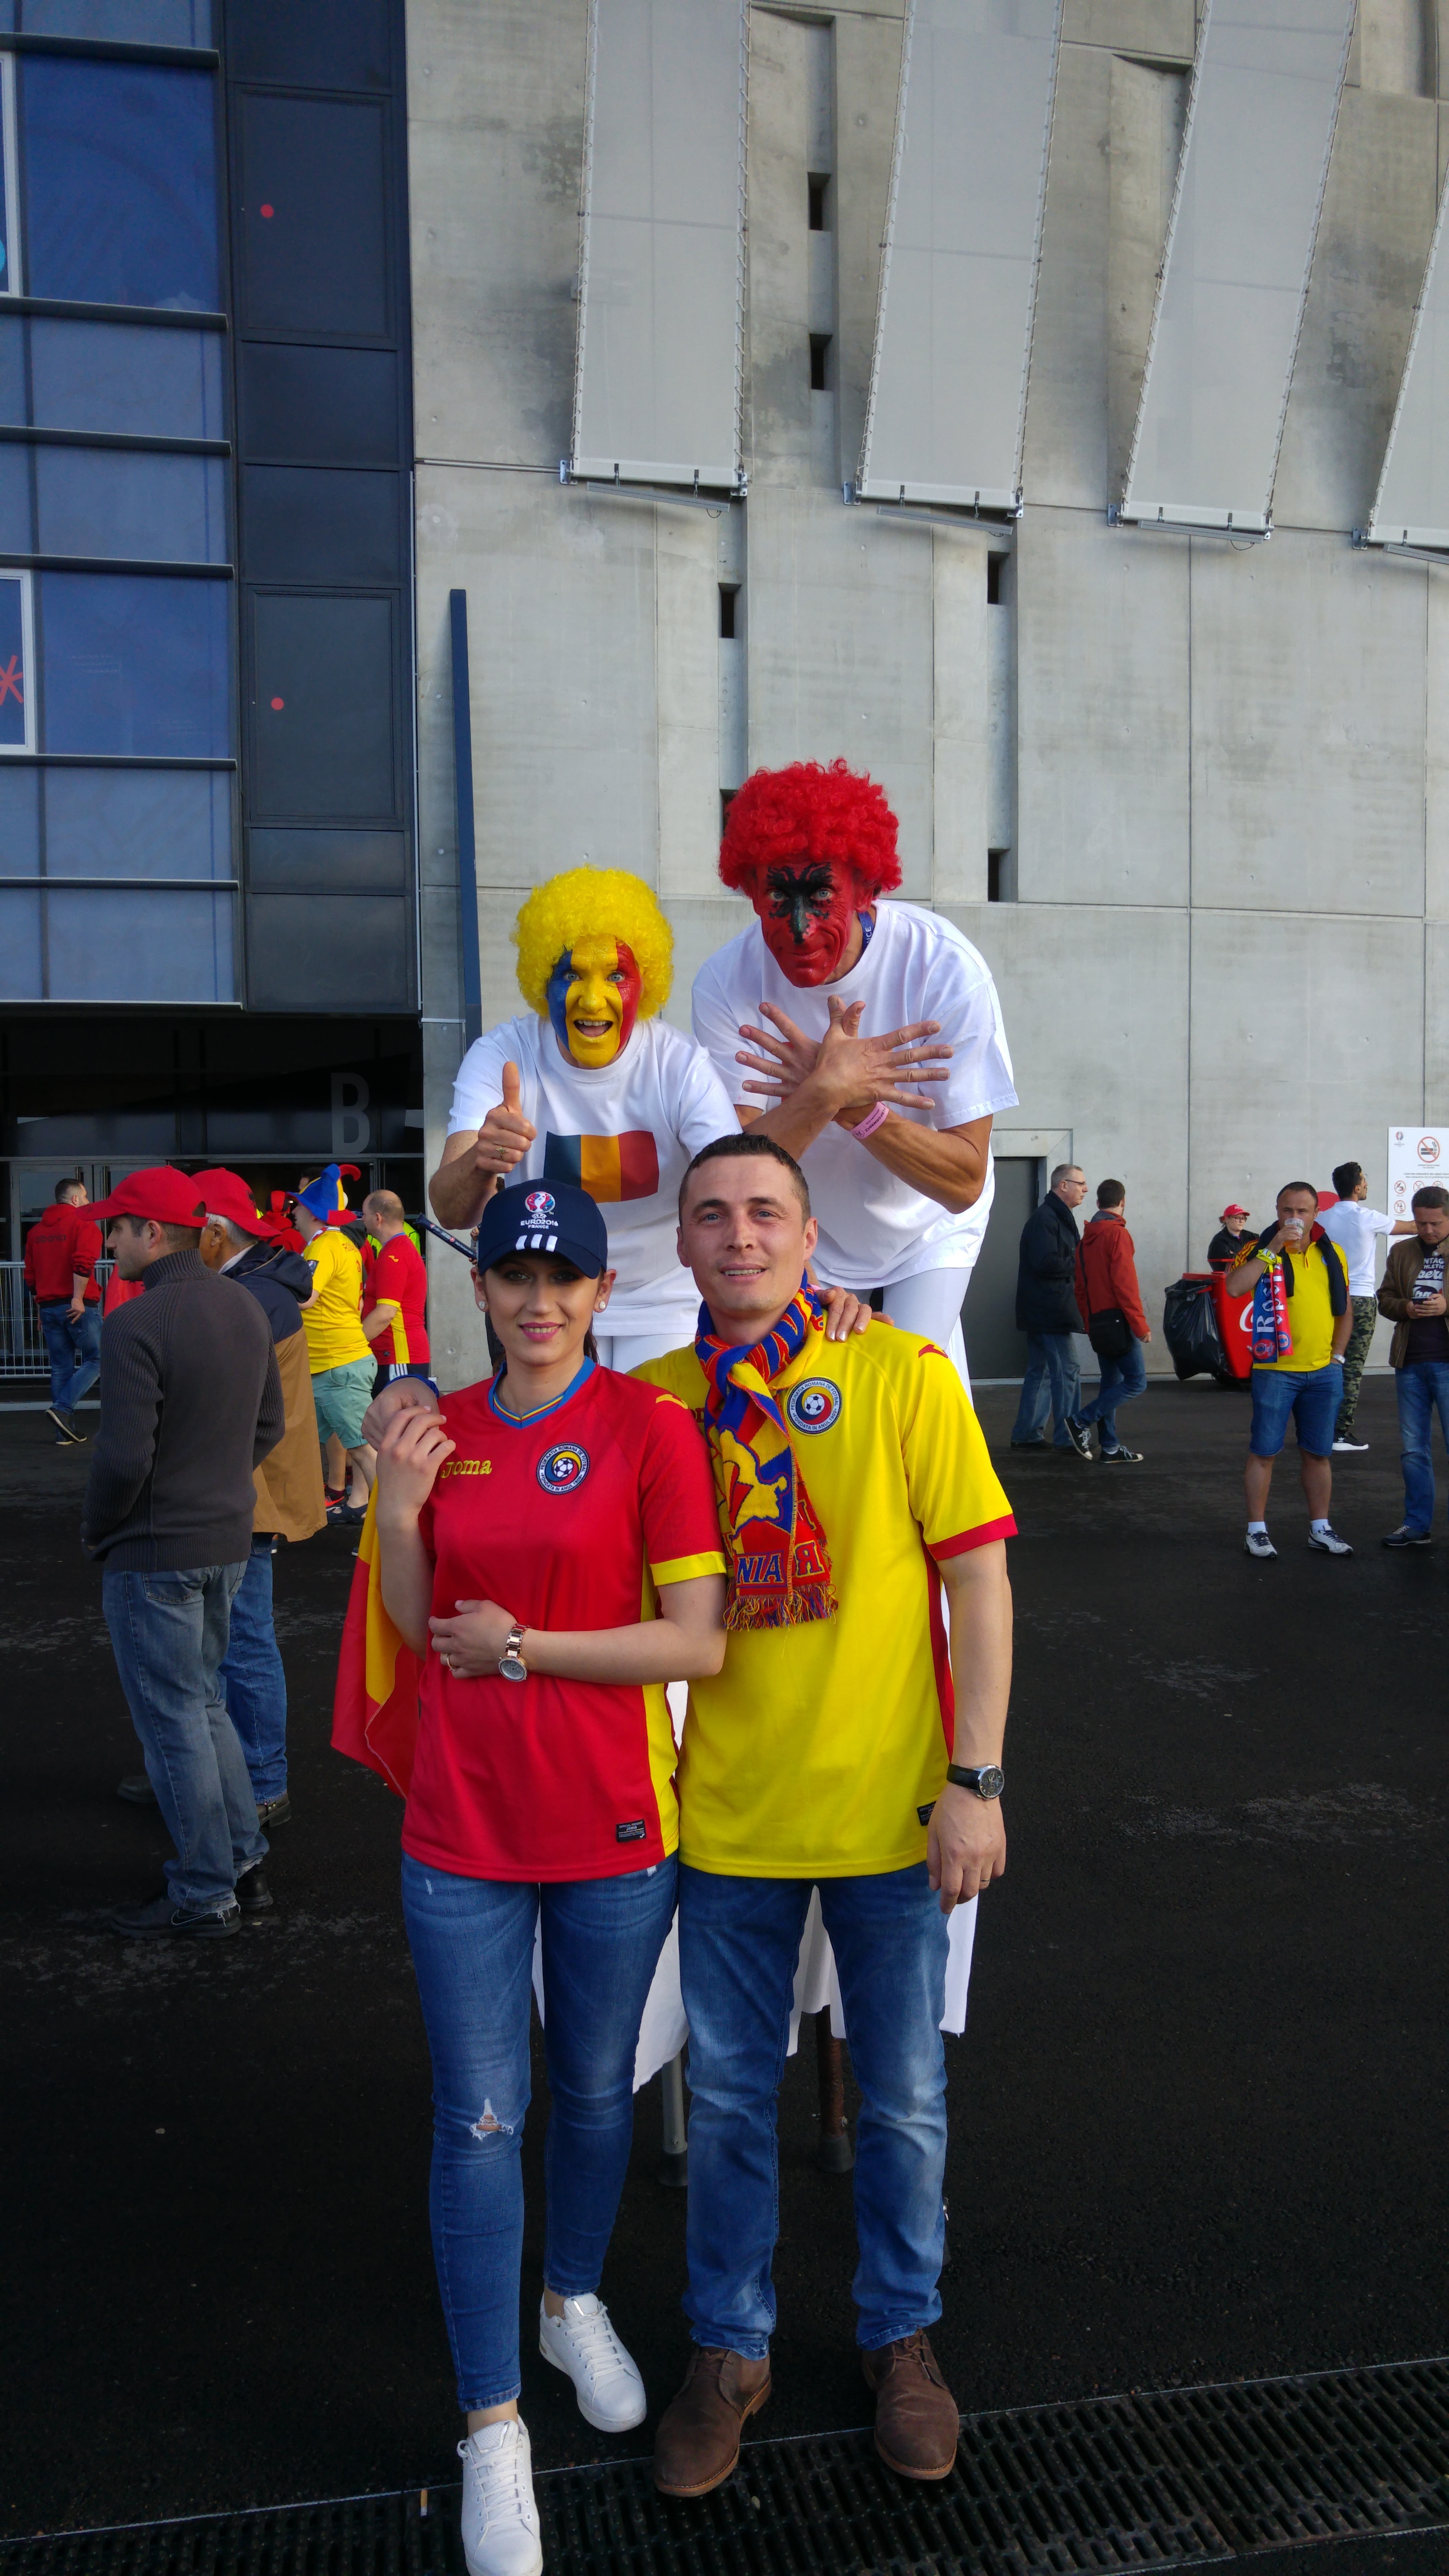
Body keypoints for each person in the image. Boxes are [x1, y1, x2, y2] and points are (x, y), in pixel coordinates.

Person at [337, 1178, 728, 2576]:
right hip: (461, 1831)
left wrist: (524, 1649)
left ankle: (569, 2303)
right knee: (481, 2120)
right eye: (514, 1275)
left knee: (592, 2091)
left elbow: (696, 1646)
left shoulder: (647, 1431)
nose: (540, 1299)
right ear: (484, 1288)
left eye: (564, 1277)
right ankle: (491, 2425)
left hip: (616, 1825)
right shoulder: (431, 1425)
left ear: (600, 1293)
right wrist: (395, 1508)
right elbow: (407, 1623)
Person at [620, 1132, 1014, 2496]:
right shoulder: (650, 1405)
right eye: (712, 1214)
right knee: (729, 2101)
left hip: (893, 1818)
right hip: (722, 1823)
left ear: (808, 1238)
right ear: (679, 1245)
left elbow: (978, 1587)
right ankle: (731, 2350)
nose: (739, 1236)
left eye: (766, 1213)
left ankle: (902, 2340)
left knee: (903, 2104)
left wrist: (975, 1782)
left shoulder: (896, 1372)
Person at [690, 760, 1018, 1389]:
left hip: (930, 1227)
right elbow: (730, 1175)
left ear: (866, 887)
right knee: (817, 1400)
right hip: (810, 1233)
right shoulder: (725, 983)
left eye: (819, 897)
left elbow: (962, 1182)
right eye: (776, 899)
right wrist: (826, 1090)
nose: (799, 928)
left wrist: (854, 1107)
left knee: (910, 1391)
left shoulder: (944, 969)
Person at [81, 1167, 285, 1939]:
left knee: (175, 1719)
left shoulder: (137, 1324)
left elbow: (123, 1459)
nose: (109, 1240)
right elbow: (268, 1424)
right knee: (205, 1705)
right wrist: (220, 1481)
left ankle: (205, 1892)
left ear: (153, 1233)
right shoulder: (244, 1304)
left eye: (120, 1227)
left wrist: (97, 1528)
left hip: (156, 1549)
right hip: (227, 1538)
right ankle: (239, 1863)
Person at [430, 868, 739, 1364]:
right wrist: (482, 1162)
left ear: (647, 981)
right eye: (572, 975)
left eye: (615, 976)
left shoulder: (679, 1064)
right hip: (548, 1304)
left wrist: (803, 1295)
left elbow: (737, 1186)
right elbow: (450, 1209)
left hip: (666, 1304)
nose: (593, 1000)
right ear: (540, 981)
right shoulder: (502, 1055)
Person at [114, 1171, 326, 1827]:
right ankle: (212, 1772)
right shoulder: (259, 1287)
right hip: (247, 1489)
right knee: (226, 1649)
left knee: (240, 1647)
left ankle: (258, 1783)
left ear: (211, 1234)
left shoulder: (247, 1296)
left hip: (242, 1493)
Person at [1223, 1183, 1352, 1560]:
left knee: (1318, 1453)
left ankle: (1320, 1528)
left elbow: (1344, 1309)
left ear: (1316, 1214)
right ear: (1277, 1210)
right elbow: (1234, 1288)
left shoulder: (1333, 1253)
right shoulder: (1258, 1248)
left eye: (1303, 1211)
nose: (1294, 1218)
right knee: (1264, 1451)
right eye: (1287, 1210)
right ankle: (1257, 1530)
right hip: (1275, 1369)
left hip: (1323, 1371)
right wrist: (1274, 1247)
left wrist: (1338, 1358)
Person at [292, 1164, 376, 1524]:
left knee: (363, 1451)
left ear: (311, 1212)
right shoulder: (339, 1242)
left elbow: (305, 1296)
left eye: (297, 1206)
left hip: (336, 1364)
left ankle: (398, 1528)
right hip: (332, 1364)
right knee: (352, 1448)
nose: (292, 1212)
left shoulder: (324, 1245)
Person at [1319, 1161, 1415, 1452]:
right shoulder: (1368, 1217)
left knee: (1327, 1364)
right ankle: (1338, 1434)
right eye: (1365, 1181)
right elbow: (1414, 1227)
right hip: (1359, 1299)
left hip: (1327, 1299)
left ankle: (1320, 1430)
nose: (1367, 1185)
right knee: (1352, 1369)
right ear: (1358, 1187)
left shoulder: (1322, 1219)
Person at [1375, 1183, 1449, 1547]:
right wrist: (1405, 1307)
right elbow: (1384, 1299)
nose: (1428, 1230)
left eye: (1435, 1223)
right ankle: (1416, 1524)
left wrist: (1446, 1306)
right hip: (1410, 1362)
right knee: (1414, 1450)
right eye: (1421, 1223)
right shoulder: (1402, 1251)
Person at [1011, 1165, 1091, 1455]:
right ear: (1064, 1185)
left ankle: (1026, 1433)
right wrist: (1082, 1264)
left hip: (1044, 1307)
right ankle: (1068, 1435)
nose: (1085, 1189)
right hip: (1049, 1309)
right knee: (1067, 1370)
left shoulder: (1053, 1216)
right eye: (1081, 1183)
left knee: (1042, 1372)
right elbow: (1046, 1263)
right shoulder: (1047, 1219)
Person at [1073, 1180, 1150, 1462]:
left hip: (1097, 1322)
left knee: (1111, 1382)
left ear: (1097, 1204)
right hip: (1119, 1322)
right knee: (1136, 1382)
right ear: (1123, 1202)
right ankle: (1082, 1420)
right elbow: (1125, 1285)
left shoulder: (1085, 1241)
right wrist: (1140, 1326)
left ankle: (1110, 1448)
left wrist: (1089, 1321)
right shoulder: (1118, 1235)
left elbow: (1080, 1288)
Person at [23, 1175, 103, 1443]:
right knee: (99, 1358)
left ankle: (63, 1432)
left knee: (61, 1368)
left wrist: (40, 1310)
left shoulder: (35, 1233)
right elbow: (83, 1263)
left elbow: (31, 1276)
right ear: (76, 1199)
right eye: (87, 1196)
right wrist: (78, 1298)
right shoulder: (84, 1223)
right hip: (76, 1305)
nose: (89, 1202)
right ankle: (62, 1409)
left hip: (49, 1307)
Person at [361, 1189, 432, 1390]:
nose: (362, 1219)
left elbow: (385, 1313)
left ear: (377, 1218)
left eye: (364, 1214)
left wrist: (351, 1347)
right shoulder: (399, 1249)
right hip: (396, 1355)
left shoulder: (395, 1254)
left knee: (397, 1419)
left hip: (398, 1355)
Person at [1207, 1204, 1250, 1269]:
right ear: (1227, 1220)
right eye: (1238, 1218)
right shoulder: (1219, 1241)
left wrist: (1236, 1255)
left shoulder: (1252, 1237)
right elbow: (1229, 1264)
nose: (1241, 1221)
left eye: (1243, 1218)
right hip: (1230, 1277)